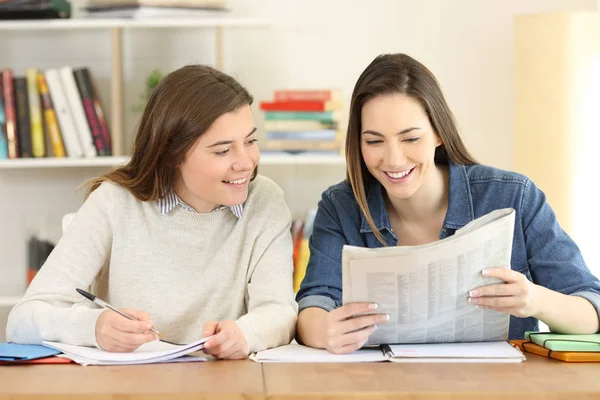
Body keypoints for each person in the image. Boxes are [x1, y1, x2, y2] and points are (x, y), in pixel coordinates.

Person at [296, 53, 600, 354]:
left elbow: (591, 310)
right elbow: (313, 303)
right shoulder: (340, 206)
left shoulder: (515, 197)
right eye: (374, 141)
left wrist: (535, 300)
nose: (393, 159)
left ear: (439, 133)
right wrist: (324, 331)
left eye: (411, 138)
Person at [7, 64, 297, 359]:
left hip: (223, 384)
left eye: (250, 141)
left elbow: (279, 309)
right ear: (173, 154)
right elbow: (22, 320)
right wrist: (93, 327)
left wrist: (245, 334)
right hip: (128, 387)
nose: (246, 162)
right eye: (223, 151)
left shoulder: (265, 200)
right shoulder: (113, 203)